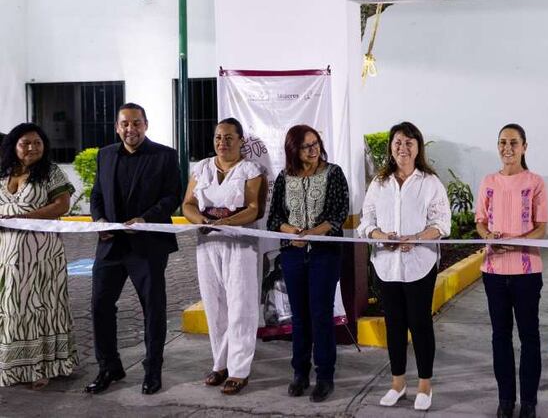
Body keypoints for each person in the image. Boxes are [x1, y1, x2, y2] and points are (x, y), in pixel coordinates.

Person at [86, 103, 181, 395]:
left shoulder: (165, 155)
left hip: (148, 246)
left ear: (146, 125)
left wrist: (145, 219)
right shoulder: (105, 155)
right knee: (100, 306)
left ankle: (152, 369)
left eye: (137, 123)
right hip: (110, 245)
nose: (131, 129)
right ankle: (109, 367)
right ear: (117, 127)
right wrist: (99, 221)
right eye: (125, 124)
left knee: (153, 309)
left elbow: (173, 196)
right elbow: (97, 194)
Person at [359, 122, 450, 412]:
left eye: (409, 143)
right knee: (394, 324)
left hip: (419, 264)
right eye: (398, 142)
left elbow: (442, 223)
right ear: (391, 146)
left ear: (418, 147)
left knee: (420, 324)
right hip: (386, 265)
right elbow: (366, 222)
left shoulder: (429, 182)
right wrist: (380, 236)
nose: (403, 148)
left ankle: (425, 384)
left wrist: (419, 238)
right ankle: (398, 382)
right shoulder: (379, 182)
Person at [180, 118, 265, 395]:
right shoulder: (202, 168)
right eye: (218, 137)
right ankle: (220, 364)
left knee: (241, 306)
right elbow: (188, 204)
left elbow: (254, 208)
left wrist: (229, 223)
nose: (222, 143)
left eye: (229, 137)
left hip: (240, 244)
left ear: (241, 140)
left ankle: (240, 369)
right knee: (215, 306)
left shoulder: (250, 170)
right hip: (207, 243)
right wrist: (203, 220)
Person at [267, 124, 350, 403]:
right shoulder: (283, 177)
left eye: (316, 143)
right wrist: (292, 233)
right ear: (294, 150)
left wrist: (312, 234)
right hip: (293, 254)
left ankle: (325, 376)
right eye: (306, 146)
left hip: (324, 254)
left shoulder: (333, 173)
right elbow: (273, 218)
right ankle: (299, 373)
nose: (313, 150)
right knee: (299, 317)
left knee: (320, 315)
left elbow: (339, 213)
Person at [475, 124, 548, 418]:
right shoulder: (488, 181)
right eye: (503, 142)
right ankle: (506, 400)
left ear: (524, 147)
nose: (508, 148)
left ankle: (528, 402)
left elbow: (541, 228)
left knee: (529, 336)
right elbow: (480, 221)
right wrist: (489, 238)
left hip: (527, 273)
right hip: (493, 272)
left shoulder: (535, 182)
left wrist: (517, 244)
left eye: (514, 143)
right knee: (500, 337)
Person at [0, 123, 77, 388]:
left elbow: (62, 205)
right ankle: (12, 366)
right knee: (10, 307)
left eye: (38, 143)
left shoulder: (51, 172)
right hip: (6, 253)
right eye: (26, 143)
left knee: (38, 306)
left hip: (41, 253)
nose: (33, 148)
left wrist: (23, 217)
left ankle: (40, 368)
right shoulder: (3, 173)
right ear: (14, 146)